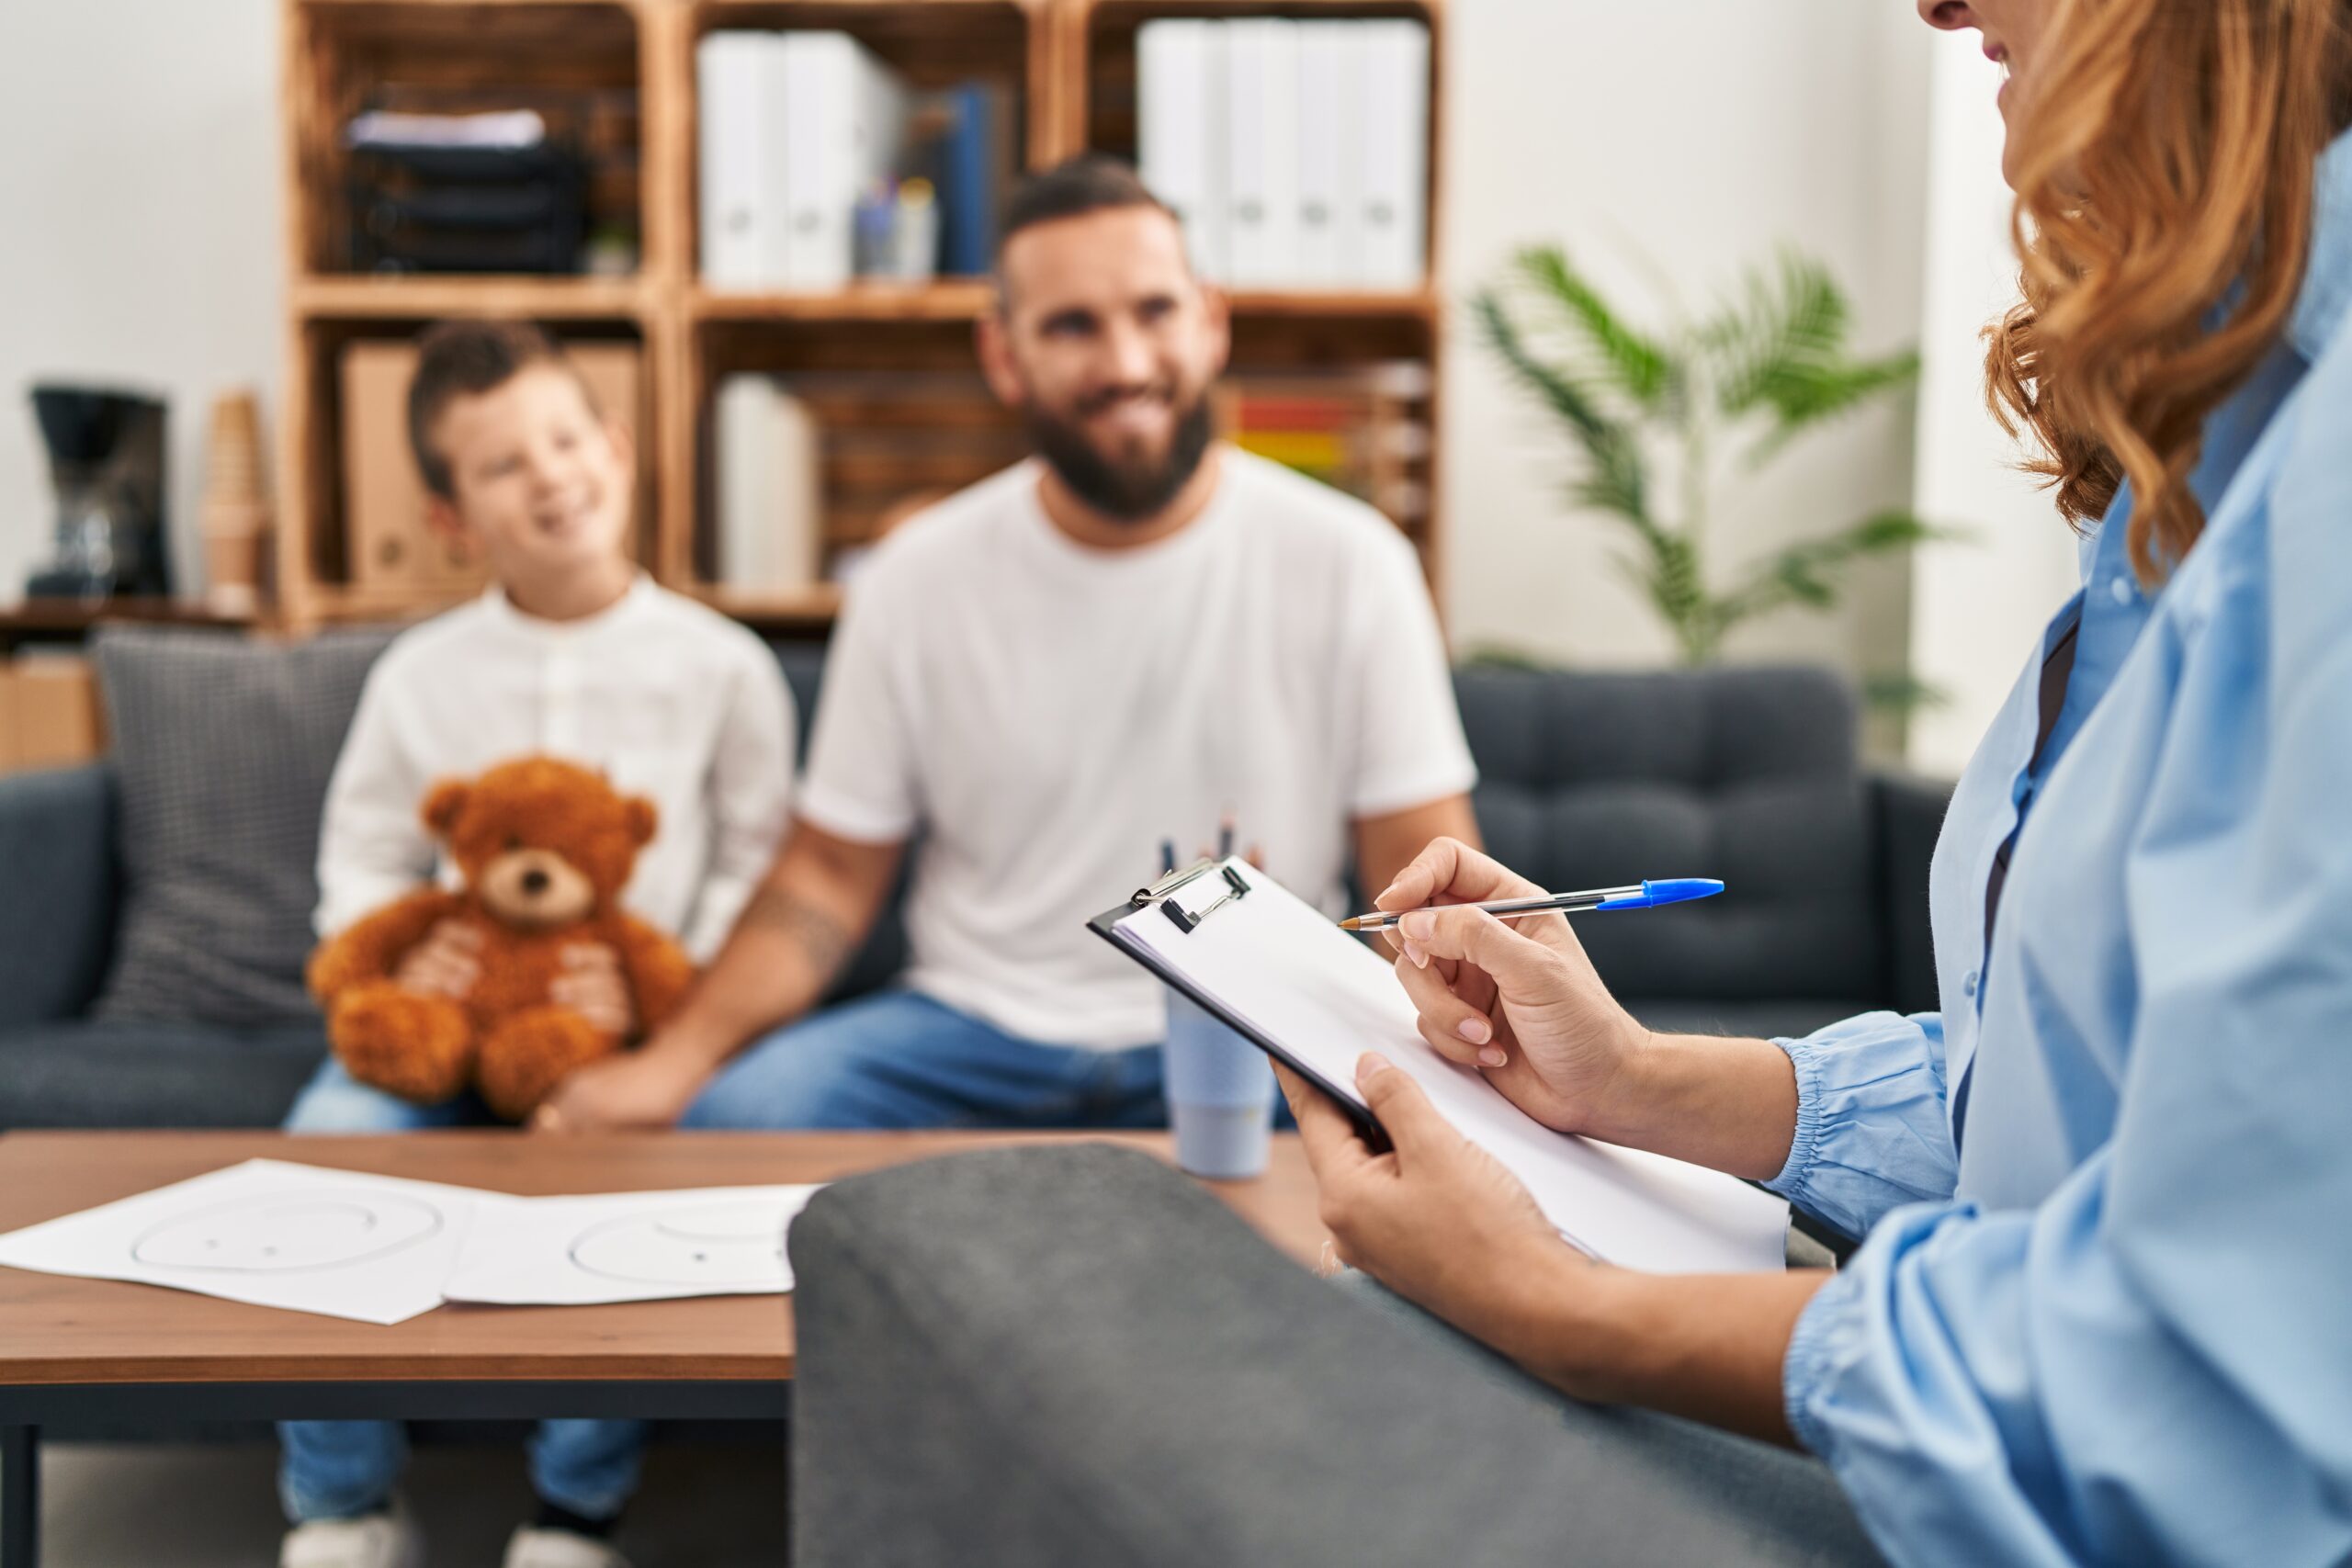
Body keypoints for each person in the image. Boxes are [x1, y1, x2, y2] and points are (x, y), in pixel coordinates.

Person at [1275, 0, 2352, 1562]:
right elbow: (2083, 1098)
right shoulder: (2215, 448)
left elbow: (2214, 1363)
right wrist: (1638, 1081)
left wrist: (1564, 1303)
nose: (1934, 3)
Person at [531, 154, 1479, 1137]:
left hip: (1260, 1027)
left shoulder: (1352, 560)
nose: (1124, 363)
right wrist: (673, 1065)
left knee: (1436, 1152)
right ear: (1003, 355)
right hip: (969, 1031)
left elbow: (1421, 863)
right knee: (739, 1117)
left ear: (1210, 322)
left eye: (1153, 312)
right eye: (1072, 326)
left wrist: (1459, 1066)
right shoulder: (913, 578)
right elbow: (826, 876)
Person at [278, 320, 795, 1568]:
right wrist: (416, 997)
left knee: (632, 1192)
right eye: (504, 464)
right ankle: (342, 1503)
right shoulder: (419, 675)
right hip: (442, 1033)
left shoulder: (723, 668)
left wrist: (669, 1012)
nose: (552, 474)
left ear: (618, 448)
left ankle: (575, 1507)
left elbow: (758, 864)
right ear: (451, 514)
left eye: (567, 438)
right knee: (323, 1152)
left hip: (630, 1031)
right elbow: (360, 858)